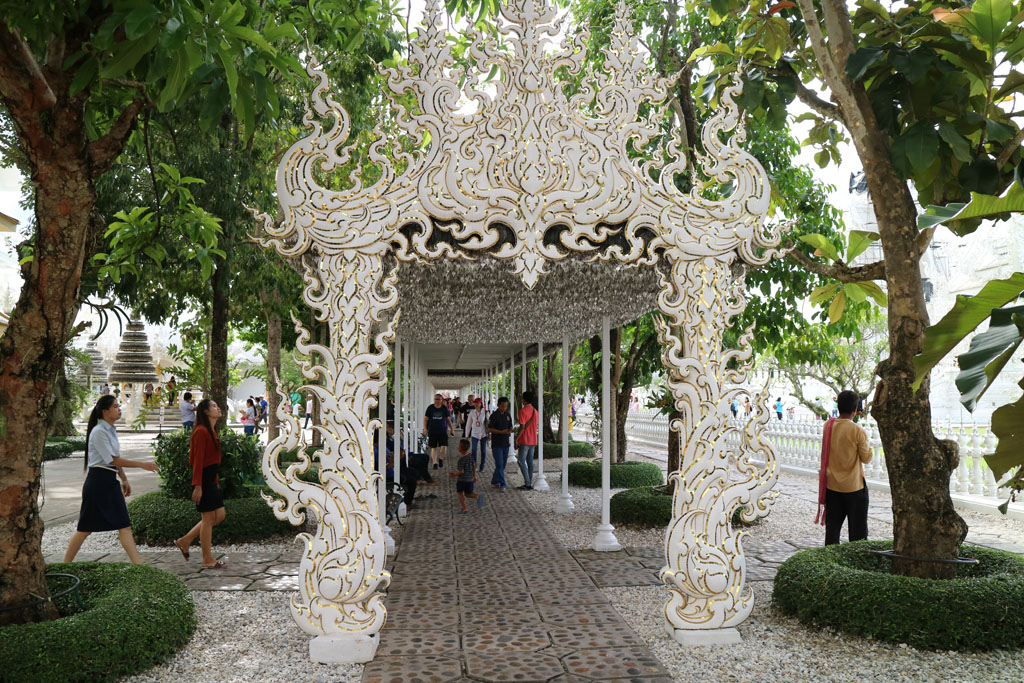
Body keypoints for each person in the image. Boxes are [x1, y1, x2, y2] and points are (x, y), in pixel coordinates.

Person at [64, 396, 159, 565]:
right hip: (98, 482)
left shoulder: (109, 429)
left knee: (124, 525)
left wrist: (124, 479)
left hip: (109, 481)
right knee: (85, 529)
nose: (119, 409)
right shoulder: (99, 431)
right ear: (105, 411)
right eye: (115, 406)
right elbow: (112, 460)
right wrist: (142, 464)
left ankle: (139, 566)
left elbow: (115, 458)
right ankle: (65, 564)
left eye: (118, 406)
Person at [175, 399, 228, 568]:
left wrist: (214, 481)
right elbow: (198, 461)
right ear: (205, 411)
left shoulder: (211, 431)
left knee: (219, 516)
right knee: (207, 519)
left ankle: (185, 540)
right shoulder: (201, 432)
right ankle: (207, 560)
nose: (218, 407)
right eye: (214, 406)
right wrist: (198, 486)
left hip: (210, 479)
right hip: (203, 479)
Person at [815, 390, 872, 545]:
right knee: (858, 533)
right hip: (854, 488)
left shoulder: (828, 425)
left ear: (838, 406)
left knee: (832, 531)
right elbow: (866, 458)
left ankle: (831, 561)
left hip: (832, 485)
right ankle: (856, 564)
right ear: (855, 410)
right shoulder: (857, 431)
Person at [449, 438, 485, 513]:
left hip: (462, 480)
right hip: (470, 479)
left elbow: (461, 471)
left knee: (459, 493)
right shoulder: (471, 456)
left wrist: (454, 475)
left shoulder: (461, 460)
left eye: (458, 446)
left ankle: (465, 508)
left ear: (460, 449)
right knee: (468, 494)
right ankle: (477, 496)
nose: (457, 447)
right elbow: (474, 466)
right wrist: (474, 476)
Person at [487, 396, 513, 491]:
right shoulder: (494, 416)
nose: (504, 408)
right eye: (502, 406)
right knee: (499, 464)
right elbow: (489, 429)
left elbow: (510, 426)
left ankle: (494, 481)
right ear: (498, 405)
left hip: (506, 443)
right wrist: (501, 432)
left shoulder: (508, 415)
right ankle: (503, 484)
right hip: (497, 444)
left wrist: (510, 430)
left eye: (506, 406)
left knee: (503, 465)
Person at [423, 393, 452, 469]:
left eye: (438, 399)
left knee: (444, 445)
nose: (436, 400)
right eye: (435, 399)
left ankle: (441, 458)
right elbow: (425, 419)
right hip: (432, 430)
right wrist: (425, 428)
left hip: (442, 431)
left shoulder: (444, 408)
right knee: (434, 447)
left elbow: (448, 419)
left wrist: (452, 429)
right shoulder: (430, 408)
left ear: (441, 400)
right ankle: (435, 462)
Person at [516, 390, 538, 490]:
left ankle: (528, 483)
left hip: (525, 440)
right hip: (533, 439)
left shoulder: (523, 411)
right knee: (530, 461)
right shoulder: (535, 411)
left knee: (521, 461)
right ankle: (529, 482)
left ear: (524, 400)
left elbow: (522, 427)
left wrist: (517, 439)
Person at [464, 397, 489, 475]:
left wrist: (490, 434)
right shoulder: (472, 412)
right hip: (474, 434)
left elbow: (489, 424)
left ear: (481, 404)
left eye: (478, 403)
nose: (476, 404)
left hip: (484, 434)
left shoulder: (485, 412)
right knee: (474, 450)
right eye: (475, 403)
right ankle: (474, 466)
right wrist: (466, 435)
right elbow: (468, 424)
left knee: (483, 451)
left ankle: (482, 467)